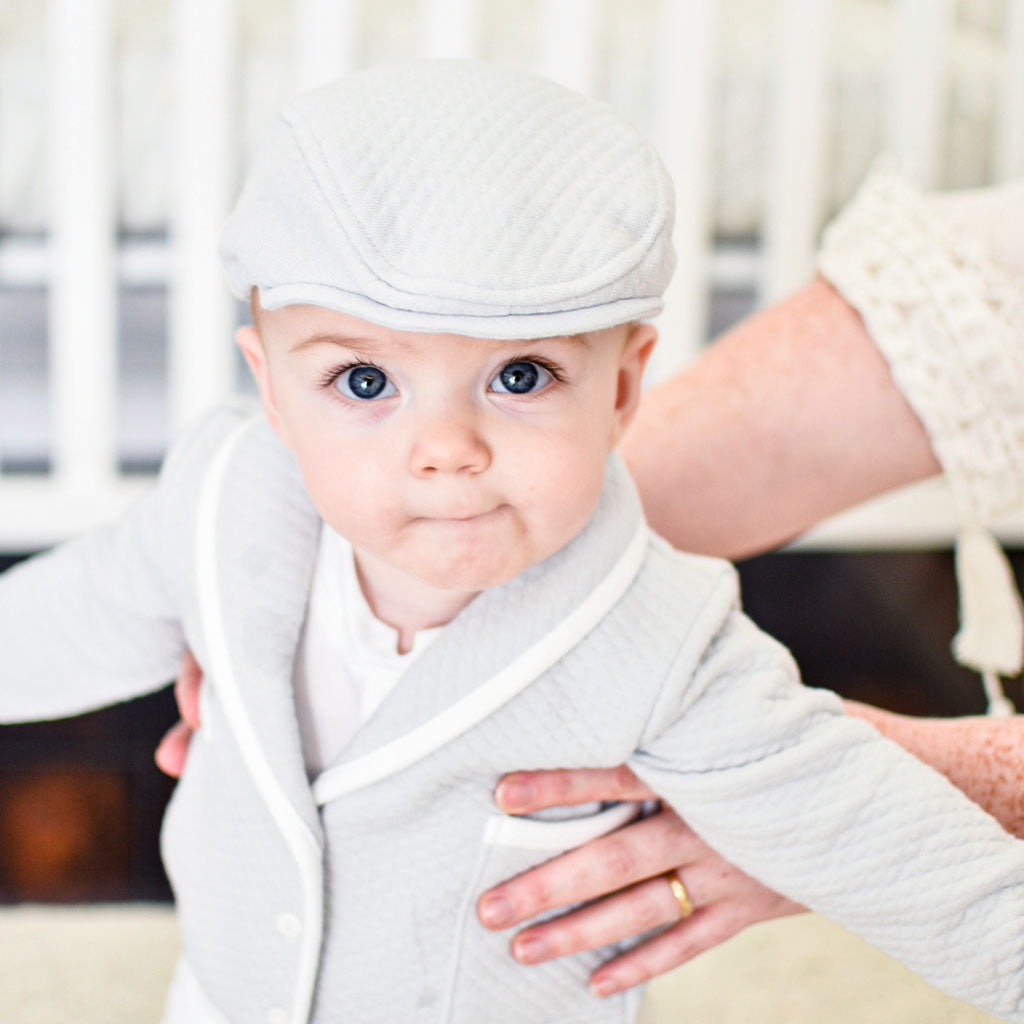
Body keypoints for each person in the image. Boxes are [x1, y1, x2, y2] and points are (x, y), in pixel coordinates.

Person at [3, 60, 1024, 1023]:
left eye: (521, 376)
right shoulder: (223, 501)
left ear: (622, 386)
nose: (447, 450)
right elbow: (64, 617)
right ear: (269, 388)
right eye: (364, 383)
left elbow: (905, 855)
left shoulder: (665, 641)